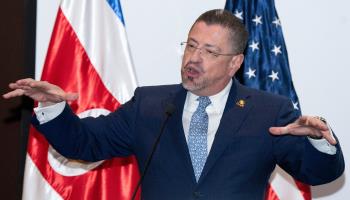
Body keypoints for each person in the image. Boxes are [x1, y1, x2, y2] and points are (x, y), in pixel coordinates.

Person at [3, 9, 344, 199]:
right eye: (191, 45)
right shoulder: (150, 105)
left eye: (209, 52)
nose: (193, 58)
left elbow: (319, 172)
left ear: (235, 63)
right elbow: (85, 143)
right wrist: (53, 108)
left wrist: (319, 141)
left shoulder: (268, 111)